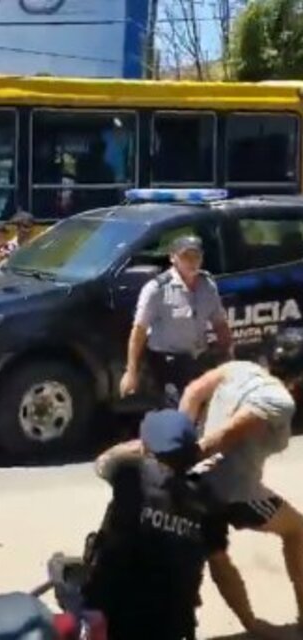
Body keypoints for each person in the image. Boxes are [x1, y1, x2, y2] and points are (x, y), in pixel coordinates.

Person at [179, 330, 303, 636]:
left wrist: (179, 442)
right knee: (298, 529)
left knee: (216, 553)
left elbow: (194, 391)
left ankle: (250, 624)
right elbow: (227, 435)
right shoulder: (279, 400)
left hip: (194, 484)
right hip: (234, 492)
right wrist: (185, 456)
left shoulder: (238, 368)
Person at [83, 409, 231, 640]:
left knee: (68, 570)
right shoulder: (209, 500)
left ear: (145, 448)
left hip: (117, 616)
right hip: (173, 623)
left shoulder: (130, 475)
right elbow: (222, 567)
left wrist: (140, 447)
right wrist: (251, 623)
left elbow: (103, 462)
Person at [120, 235, 233, 403]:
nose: (192, 262)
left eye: (196, 257)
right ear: (173, 258)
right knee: (175, 413)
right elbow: (139, 332)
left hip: (197, 361)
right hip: (168, 365)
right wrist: (131, 372)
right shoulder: (157, 289)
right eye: (186, 256)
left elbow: (220, 324)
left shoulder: (207, 286)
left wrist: (229, 357)